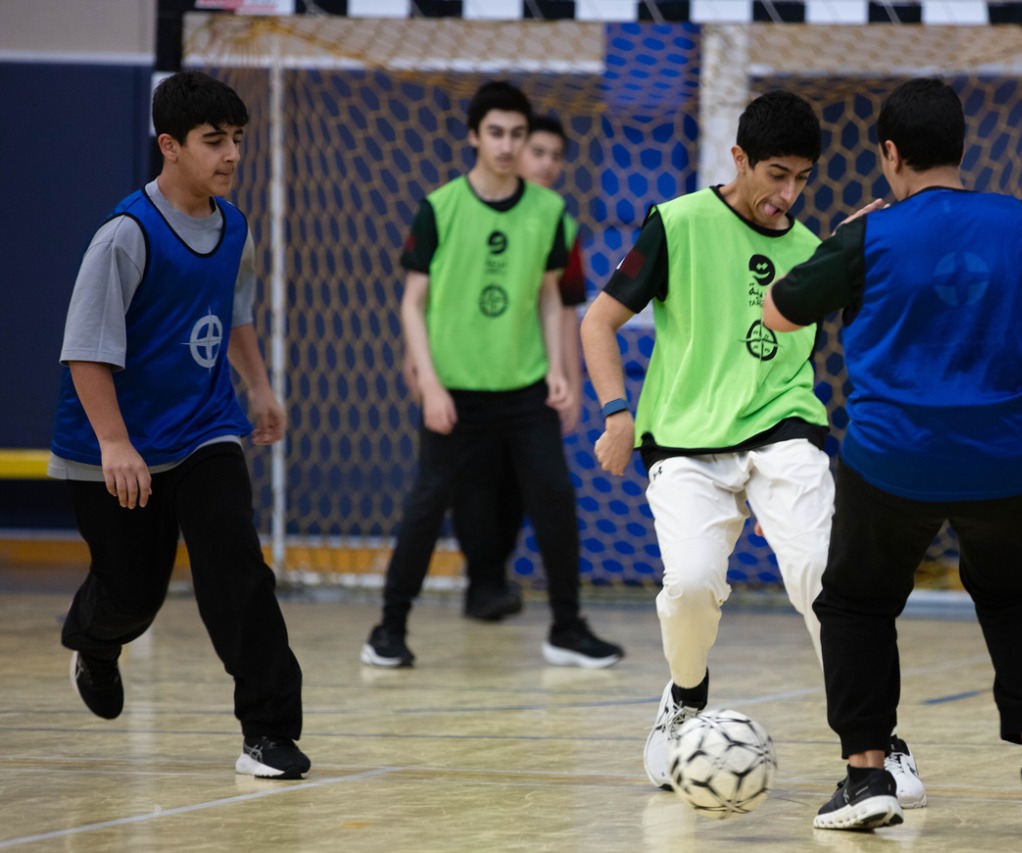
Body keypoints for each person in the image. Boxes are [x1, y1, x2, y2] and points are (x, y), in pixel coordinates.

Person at [764, 77, 1022, 831]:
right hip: (1014, 457)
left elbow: (780, 311)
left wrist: (843, 235)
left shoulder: (870, 234)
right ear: (962, 148)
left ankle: (866, 777)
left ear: (890, 154)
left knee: (857, 603)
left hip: (896, 459)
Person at [580, 90, 923, 802]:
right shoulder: (677, 223)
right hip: (683, 438)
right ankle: (684, 697)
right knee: (691, 585)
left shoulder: (811, 249)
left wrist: (849, 249)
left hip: (782, 429)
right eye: (776, 175)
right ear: (738, 158)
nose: (788, 193)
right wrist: (616, 414)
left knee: (825, 577)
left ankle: (879, 743)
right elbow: (597, 321)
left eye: (802, 178)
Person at [50, 70, 308, 779]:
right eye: (213, 140)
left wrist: (258, 387)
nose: (231, 154)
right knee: (133, 592)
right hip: (114, 443)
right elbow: (84, 351)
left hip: (203, 427)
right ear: (169, 145)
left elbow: (234, 313)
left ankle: (268, 732)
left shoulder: (235, 227)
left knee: (237, 569)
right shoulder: (125, 235)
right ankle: (94, 641)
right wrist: (115, 442)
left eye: (237, 139)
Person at [361, 81, 623, 670]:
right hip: (455, 392)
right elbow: (412, 304)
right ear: (474, 137)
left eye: (516, 134)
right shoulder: (439, 207)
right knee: (427, 504)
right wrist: (430, 383)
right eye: (496, 133)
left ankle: (566, 627)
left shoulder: (550, 213)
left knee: (555, 499)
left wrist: (560, 373)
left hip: (525, 390)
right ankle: (388, 629)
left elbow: (553, 299)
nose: (507, 145)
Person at [450, 113, 589, 622]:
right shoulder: (463, 210)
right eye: (539, 152)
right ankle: (481, 583)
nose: (547, 164)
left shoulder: (559, 223)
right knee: (473, 483)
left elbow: (566, 308)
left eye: (556, 156)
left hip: (532, 381)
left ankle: (537, 603)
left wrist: (571, 380)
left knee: (529, 488)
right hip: (470, 377)